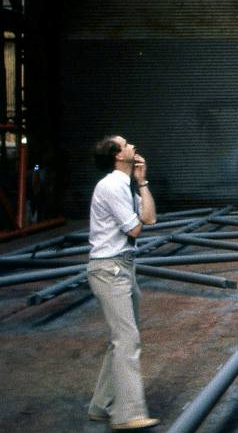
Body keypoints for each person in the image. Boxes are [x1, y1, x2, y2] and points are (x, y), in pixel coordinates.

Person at [86, 135, 159, 430]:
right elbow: (136, 228)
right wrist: (137, 200)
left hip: (124, 266)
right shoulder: (112, 185)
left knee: (123, 338)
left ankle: (101, 405)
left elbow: (150, 218)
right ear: (118, 155)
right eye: (126, 144)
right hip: (110, 269)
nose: (132, 146)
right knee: (127, 340)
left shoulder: (125, 184)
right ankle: (127, 414)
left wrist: (142, 183)